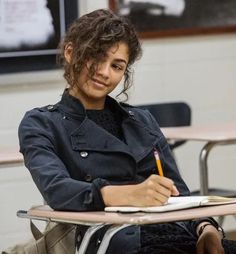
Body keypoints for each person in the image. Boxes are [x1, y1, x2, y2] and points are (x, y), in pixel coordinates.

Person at [18, 8, 236, 254]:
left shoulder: (142, 120)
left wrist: (206, 229)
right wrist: (127, 194)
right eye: (96, 57)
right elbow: (57, 190)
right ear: (70, 52)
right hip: (111, 240)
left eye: (117, 66)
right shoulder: (41, 123)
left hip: (174, 233)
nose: (104, 72)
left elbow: (179, 193)